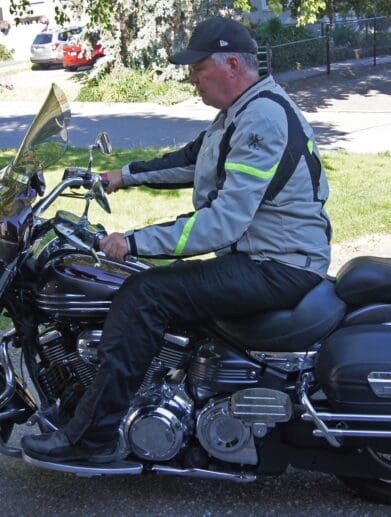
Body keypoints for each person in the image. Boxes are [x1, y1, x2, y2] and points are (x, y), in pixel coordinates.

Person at [22, 16, 331, 463]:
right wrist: (118, 177)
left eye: (197, 69)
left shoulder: (262, 118)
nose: (191, 80)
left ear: (230, 64)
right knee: (152, 285)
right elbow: (193, 159)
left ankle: (91, 439)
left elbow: (222, 223)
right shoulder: (242, 110)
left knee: (144, 292)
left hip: (277, 264)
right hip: (270, 256)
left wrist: (133, 240)